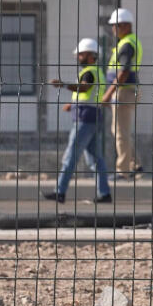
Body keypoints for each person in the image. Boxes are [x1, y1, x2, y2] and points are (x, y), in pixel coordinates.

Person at [44, 38, 112, 204]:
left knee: (71, 155)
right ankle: (104, 194)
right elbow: (89, 94)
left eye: (81, 54)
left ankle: (59, 192)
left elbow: (85, 88)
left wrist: (63, 85)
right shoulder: (97, 72)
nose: (78, 57)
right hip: (93, 117)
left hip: (85, 119)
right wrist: (72, 104)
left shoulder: (89, 72)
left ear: (91, 55)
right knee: (95, 159)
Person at [101, 8, 143, 178]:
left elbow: (123, 72)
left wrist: (108, 93)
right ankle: (136, 164)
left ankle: (123, 171)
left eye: (115, 25)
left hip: (123, 91)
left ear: (125, 25)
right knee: (119, 131)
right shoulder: (127, 42)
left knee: (121, 133)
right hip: (125, 91)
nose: (113, 29)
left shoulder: (126, 45)